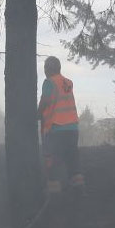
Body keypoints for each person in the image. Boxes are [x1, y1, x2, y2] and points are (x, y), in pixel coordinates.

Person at [38, 56, 84, 194]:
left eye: (45, 68)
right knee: (72, 159)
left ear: (49, 69)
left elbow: (45, 100)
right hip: (73, 129)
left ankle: (53, 195)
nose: (45, 71)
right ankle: (79, 190)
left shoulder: (49, 82)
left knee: (52, 160)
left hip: (57, 128)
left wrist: (38, 113)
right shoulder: (68, 82)